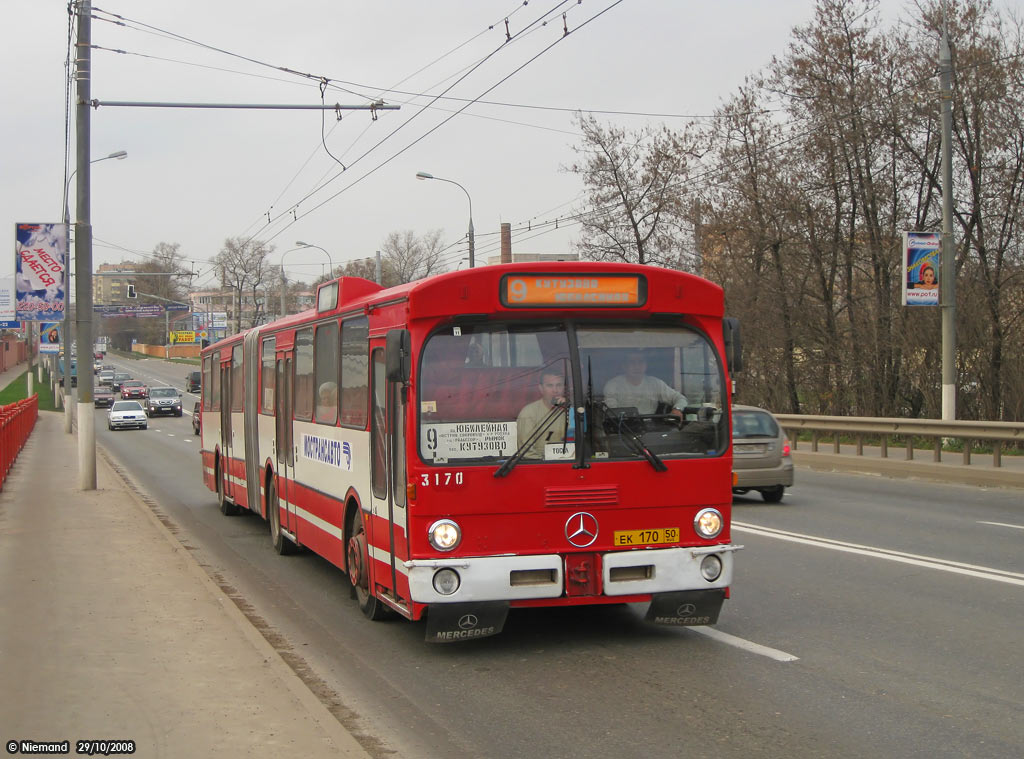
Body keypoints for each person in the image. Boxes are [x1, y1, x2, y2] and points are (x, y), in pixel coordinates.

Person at [603, 350, 687, 419]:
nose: (637, 366)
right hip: (623, 429)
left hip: (649, 430)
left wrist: (677, 409)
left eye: (641, 362)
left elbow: (680, 398)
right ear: (624, 366)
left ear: (646, 365)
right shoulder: (613, 385)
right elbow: (611, 414)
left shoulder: (655, 383)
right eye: (632, 362)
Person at [516, 370, 570, 459]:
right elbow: (526, 452)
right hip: (542, 464)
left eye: (559, 385)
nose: (555, 390)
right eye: (550, 386)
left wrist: (569, 410)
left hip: (569, 462)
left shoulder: (570, 410)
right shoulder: (529, 412)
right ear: (541, 388)